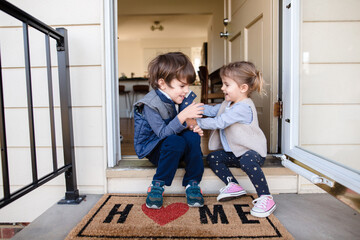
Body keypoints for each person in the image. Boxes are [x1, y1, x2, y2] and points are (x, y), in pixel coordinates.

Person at [187, 61, 276, 218]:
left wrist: (196, 122)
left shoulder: (243, 106)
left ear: (243, 88)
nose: (222, 88)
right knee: (213, 157)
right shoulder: (229, 103)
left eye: (226, 85)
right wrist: (193, 108)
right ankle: (233, 184)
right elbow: (213, 110)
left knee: (247, 162)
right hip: (237, 152)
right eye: (223, 84)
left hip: (252, 152)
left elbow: (220, 122)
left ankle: (266, 197)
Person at [133, 52, 205, 209]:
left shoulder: (180, 97)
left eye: (188, 86)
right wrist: (183, 117)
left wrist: (192, 125)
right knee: (174, 140)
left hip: (177, 147)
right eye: (182, 86)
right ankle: (158, 184)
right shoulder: (150, 105)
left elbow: (188, 122)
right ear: (162, 83)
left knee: (192, 137)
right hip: (156, 149)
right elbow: (162, 134)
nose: (186, 91)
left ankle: (192, 182)